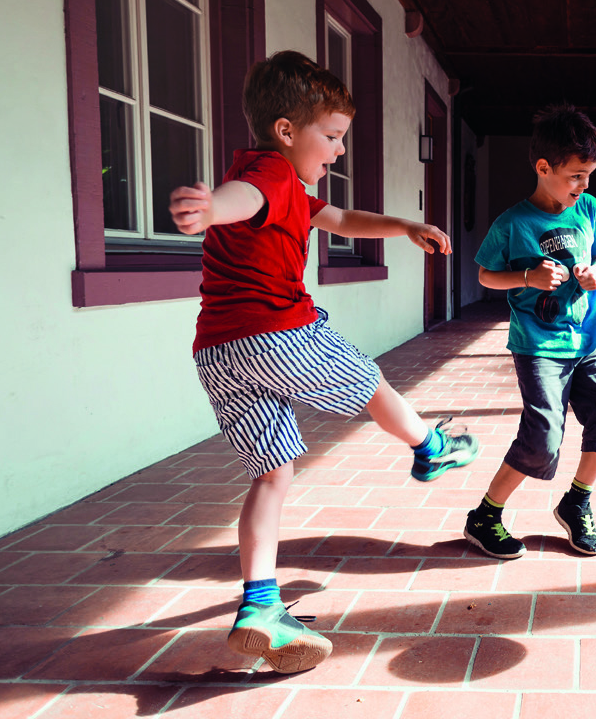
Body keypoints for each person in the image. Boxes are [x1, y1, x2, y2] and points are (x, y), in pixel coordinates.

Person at [168, 50, 478, 674]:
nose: (337, 151)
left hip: (218, 352)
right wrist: (208, 210)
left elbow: (339, 218)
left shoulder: (285, 185)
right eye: (332, 137)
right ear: (287, 132)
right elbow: (240, 199)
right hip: (277, 334)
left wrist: (402, 225)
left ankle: (259, 606)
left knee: (272, 474)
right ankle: (429, 446)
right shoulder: (270, 177)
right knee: (369, 379)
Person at [466, 103, 596, 559]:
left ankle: (577, 502)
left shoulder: (589, 209)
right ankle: (485, 516)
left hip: (587, 340)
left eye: (589, 174)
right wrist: (526, 278)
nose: (584, 184)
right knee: (542, 437)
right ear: (543, 168)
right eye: (576, 175)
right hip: (538, 346)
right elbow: (484, 275)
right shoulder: (513, 224)